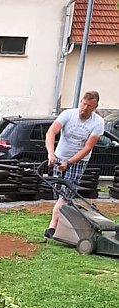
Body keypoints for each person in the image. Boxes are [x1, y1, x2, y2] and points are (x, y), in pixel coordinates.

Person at [44, 90, 104, 239]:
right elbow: (51, 133)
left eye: (90, 106)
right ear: (80, 102)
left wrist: (69, 162)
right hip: (59, 157)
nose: (85, 108)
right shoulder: (67, 115)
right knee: (59, 193)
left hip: (78, 161)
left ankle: (52, 228)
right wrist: (51, 154)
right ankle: (65, 222)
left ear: (95, 107)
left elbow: (87, 147)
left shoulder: (98, 122)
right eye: (84, 104)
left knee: (65, 195)